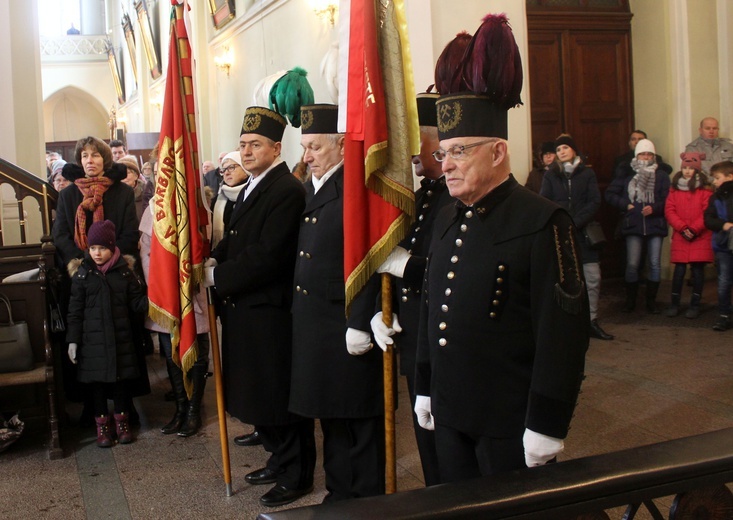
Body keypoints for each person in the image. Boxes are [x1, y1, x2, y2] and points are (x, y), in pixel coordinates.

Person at [413, 13, 589, 484]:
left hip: (506, 422)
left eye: (460, 152)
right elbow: (433, 311)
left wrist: (547, 423)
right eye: (442, 154)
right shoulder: (447, 215)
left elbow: (562, 336)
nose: (446, 165)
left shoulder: (542, 221)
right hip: (450, 413)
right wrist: (426, 386)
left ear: (497, 152)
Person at [203, 106, 314, 508]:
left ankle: (295, 473)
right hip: (246, 309)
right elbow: (236, 239)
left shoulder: (285, 190)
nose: (246, 152)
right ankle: (276, 457)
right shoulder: (253, 186)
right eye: (242, 145)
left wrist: (219, 277)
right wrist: (214, 258)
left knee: (276, 395)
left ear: (276, 148)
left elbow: (269, 257)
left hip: (270, 312)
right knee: (257, 393)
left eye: (255, 145)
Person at [289, 104, 384, 502]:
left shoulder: (356, 188)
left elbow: (372, 257)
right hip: (316, 323)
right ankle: (339, 489)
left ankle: (365, 496)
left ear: (342, 145)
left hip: (345, 319)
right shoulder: (313, 186)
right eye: (305, 147)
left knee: (358, 416)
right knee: (330, 414)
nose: (307, 156)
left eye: (315, 147)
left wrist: (361, 320)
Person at [370, 93, 449, 487]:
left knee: (446, 439)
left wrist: (406, 266)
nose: (414, 157)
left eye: (420, 145)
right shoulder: (422, 195)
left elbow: (451, 270)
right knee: (426, 434)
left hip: (441, 333)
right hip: (414, 331)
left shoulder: (456, 197)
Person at [52, 136, 146, 425]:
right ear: (79, 161)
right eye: (84, 156)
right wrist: (81, 264)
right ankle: (92, 406)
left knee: (122, 337)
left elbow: (130, 232)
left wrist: (113, 258)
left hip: (117, 274)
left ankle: (124, 402)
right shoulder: (69, 195)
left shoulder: (120, 193)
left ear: (105, 159)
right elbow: (61, 235)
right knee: (87, 340)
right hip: (81, 276)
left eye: (95, 156)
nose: (89, 161)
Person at [66, 220, 148, 447]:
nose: (97, 253)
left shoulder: (123, 273)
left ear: (112, 247)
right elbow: (75, 311)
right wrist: (73, 341)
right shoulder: (82, 275)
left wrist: (157, 301)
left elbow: (136, 302)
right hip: (92, 343)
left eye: (102, 248)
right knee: (98, 386)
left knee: (120, 384)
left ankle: (122, 424)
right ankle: (102, 427)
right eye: (93, 248)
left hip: (119, 339)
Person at [139, 200, 210, 437]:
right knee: (171, 355)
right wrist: (162, 287)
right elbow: (146, 252)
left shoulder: (195, 199)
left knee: (197, 354)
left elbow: (205, 244)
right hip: (166, 294)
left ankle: (193, 411)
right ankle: (180, 409)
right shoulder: (153, 208)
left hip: (193, 292)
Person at [540, 134, 613, 340]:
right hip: (561, 234)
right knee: (563, 279)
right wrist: (564, 222)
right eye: (558, 149)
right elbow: (546, 201)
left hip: (585, 234)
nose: (561, 152)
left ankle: (591, 320)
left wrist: (576, 221)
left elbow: (594, 201)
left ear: (573, 150)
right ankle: (567, 323)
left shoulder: (587, 173)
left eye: (565, 148)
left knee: (592, 277)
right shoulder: (551, 175)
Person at [606, 139, 670, 313]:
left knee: (655, 263)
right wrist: (626, 205)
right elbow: (610, 194)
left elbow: (668, 199)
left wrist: (655, 208)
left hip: (655, 224)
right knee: (632, 264)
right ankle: (630, 301)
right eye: (642, 153)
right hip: (633, 223)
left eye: (649, 154)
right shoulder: (626, 174)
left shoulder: (662, 175)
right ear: (636, 155)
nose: (646, 157)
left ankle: (651, 302)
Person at [663, 152, 713, 318]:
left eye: (691, 168)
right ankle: (675, 304)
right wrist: (682, 228)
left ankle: (695, 305)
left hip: (700, 236)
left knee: (698, 271)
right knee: (679, 271)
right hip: (681, 235)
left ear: (697, 170)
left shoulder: (705, 192)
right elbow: (669, 210)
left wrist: (694, 229)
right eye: (685, 167)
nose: (687, 171)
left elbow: (707, 213)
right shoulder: (674, 190)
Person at [703, 161, 733, 331]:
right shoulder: (716, 198)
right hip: (723, 244)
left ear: (730, 177)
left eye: (717, 178)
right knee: (723, 281)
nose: (714, 182)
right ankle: (724, 315)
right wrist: (724, 225)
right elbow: (708, 219)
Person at [210, 151, 249, 247]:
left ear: (245, 169)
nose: (226, 173)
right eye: (223, 170)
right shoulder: (217, 200)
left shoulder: (253, 194)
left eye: (231, 168)